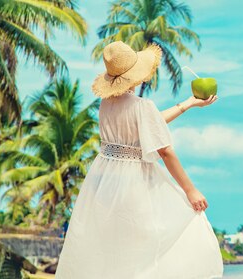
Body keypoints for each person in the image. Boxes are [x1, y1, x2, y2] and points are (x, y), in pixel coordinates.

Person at [54, 41, 223, 278]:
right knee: (153, 241)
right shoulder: (142, 106)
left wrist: (189, 104)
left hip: (105, 181)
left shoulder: (106, 104)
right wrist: (190, 190)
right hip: (134, 181)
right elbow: (166, 151)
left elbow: (148, 123)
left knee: (116, 248)